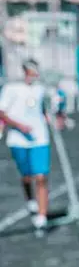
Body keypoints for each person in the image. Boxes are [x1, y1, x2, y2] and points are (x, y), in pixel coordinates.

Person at [0, 60, 51, 232]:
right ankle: (31, 200)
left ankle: (42, 216)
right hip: (18, 140)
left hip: (40, 139)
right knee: (27, 177)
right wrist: (19, 126)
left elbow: (43, 109)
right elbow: (2, 112)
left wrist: (52, 119)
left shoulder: (40, 89)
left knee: (41, 176)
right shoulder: (11, 88)